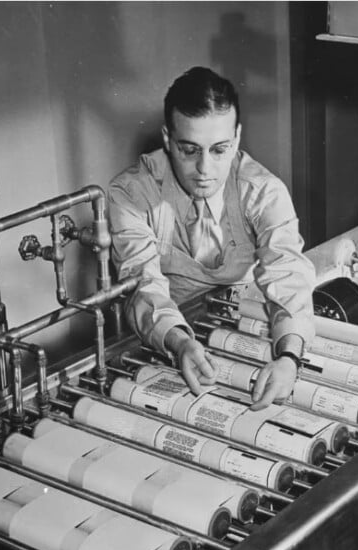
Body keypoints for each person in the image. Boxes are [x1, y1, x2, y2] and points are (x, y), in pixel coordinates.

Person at [108, 66, 315, 410]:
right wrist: (178, 342)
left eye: (220, 150)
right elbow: (142, 281)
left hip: (249, 319)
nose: (205, 169)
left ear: (236, 138)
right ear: (166, 139)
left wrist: (290, 357)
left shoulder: (263, 192)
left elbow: (288, 276)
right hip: (166, 333)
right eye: (189, 150)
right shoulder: (131, 193)